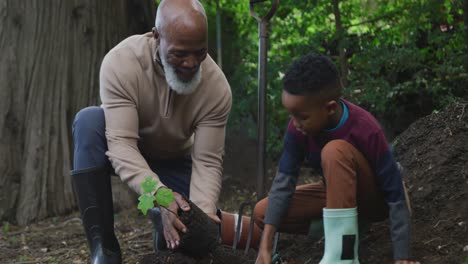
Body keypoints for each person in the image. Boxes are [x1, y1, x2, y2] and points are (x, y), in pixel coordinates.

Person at [71, 0, 231, 263]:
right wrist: (159, 195)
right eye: (180, 53)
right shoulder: (121, 63)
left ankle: (168, 237)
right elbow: (121, 143)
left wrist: (202, 219)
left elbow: (207, 161)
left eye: (200, 52)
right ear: (156, 36)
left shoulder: (217, 88)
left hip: (177, 162)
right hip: (126, 150)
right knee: (89, 121)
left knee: (195, 222)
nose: (192, 63)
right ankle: (105, 250)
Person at [253, 53, 419, 264]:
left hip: (375, 199)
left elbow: (394, 192)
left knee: (334, 151)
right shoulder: (298, 129)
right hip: (337, 193)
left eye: (302, 116)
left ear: (330, 108)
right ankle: (346, 232)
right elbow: (283, 184)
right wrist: (265, 247)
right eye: (291, 115)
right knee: (262, 213)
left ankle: (343, 257)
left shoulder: (365, 127)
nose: (295, 123)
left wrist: (402, 256)